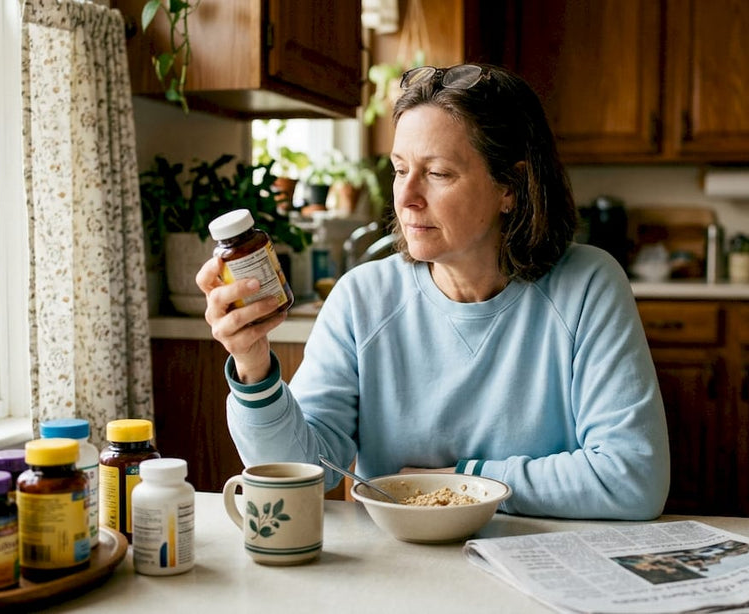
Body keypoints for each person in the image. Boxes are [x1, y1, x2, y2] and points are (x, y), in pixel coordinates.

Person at [196, 63, 670, 520]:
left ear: (511, 186)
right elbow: (303, 474)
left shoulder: (588, 286)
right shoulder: (361, 299)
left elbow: (634, 476)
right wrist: (253, 364)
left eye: (438, 173)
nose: (406, 197)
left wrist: (462, 484)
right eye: (401, 169)